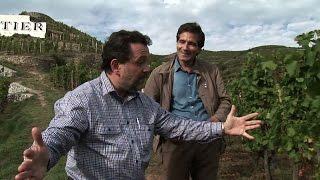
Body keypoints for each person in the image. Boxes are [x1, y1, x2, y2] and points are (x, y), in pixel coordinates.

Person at [15, 30, 261, 180]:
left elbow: (181, 127)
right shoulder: (83, 99)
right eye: (141, 62)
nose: (147, 69)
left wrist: (221, 129)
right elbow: (61, 133)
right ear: (115, 66)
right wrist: (46, 156)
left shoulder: (145, 105)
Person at [144, 22, 231, 180]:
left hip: (208, 140)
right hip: (176, 142)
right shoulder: (160, 73)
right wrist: (165, 130)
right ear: (177, 43)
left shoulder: (212, 71)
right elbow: (148, 106)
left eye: (191, 43)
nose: (185, 47)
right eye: (182, 41)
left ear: (199, 48)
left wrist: (216, 119)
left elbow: (225, 100)